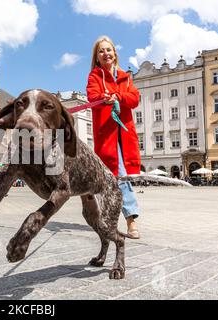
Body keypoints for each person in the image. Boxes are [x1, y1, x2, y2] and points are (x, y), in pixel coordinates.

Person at [86, 35, 141, 239]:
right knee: (118, 175)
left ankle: (123, 219)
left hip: (124, 134)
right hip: (106, 135)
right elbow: (92, 96)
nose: (105, 53)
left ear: (114, 54)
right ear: (97, 57)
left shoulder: (125, 77)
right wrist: (104, 98)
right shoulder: (94, 76)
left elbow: (134, 98)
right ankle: (129, 219)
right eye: (101, 51)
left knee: (118, 176)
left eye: (108, 50)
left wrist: (119, 97)